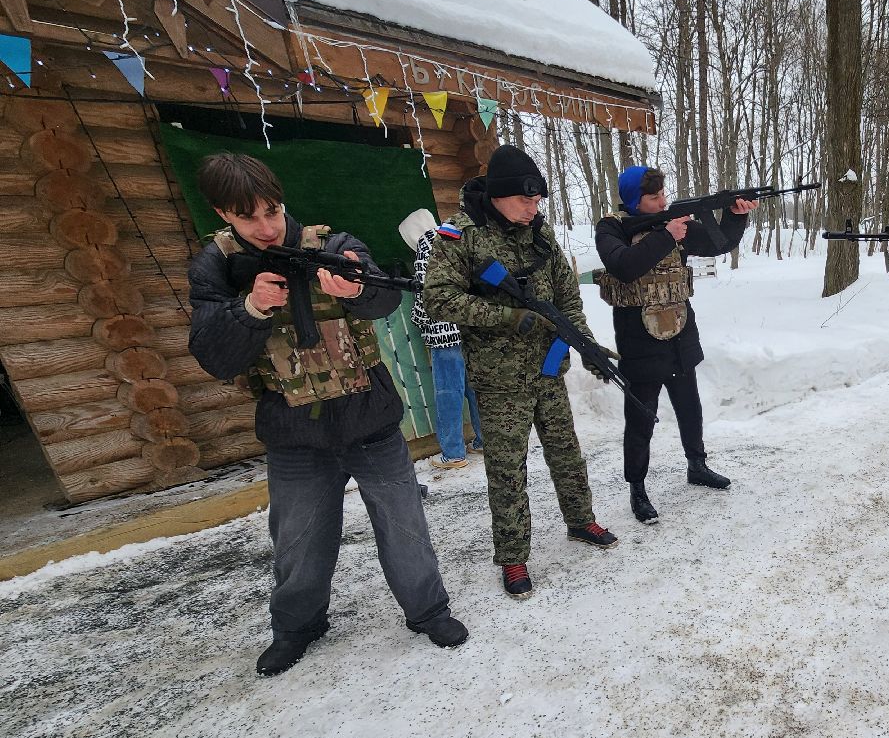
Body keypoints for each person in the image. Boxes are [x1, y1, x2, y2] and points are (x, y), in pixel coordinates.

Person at [186, 153, 468, 676]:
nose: (268, 227)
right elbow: (213, 355)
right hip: (293, 433)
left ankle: (429, 610)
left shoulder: (333, 246)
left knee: (405, 527)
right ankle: (298, 626)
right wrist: (249, 309)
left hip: (370, 420)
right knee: (296, 539)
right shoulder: (215, 267)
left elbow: (383, 297)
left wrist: (359, 287)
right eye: (250, 218)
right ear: (223, 213)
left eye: (273, 210)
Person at [422, 144, 617, 599]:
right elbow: (437, 299)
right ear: (499, 197)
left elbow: (567, 299)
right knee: (508, 471)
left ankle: (580, 520)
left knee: (567, 452)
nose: (533, 209)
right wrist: (507, 318)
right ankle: (513, 558)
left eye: (537, 202)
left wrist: (585, 345)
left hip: (548, 367)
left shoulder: (541, 236)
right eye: (525, 201)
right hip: (499, 379)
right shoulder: (461, 237)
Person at [593, 167, 756, 523]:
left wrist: (733, 215)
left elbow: (719, 243)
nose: (662, 201)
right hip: (639, 340)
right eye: (653, 198)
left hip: (680, 333)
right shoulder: (612, 229)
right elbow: (624, 266)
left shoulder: (673, 223)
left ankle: (697, 465)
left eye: (663, 194)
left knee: (689, 406)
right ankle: (637, 488)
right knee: (641, 419)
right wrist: (667, 235)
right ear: (635, 201)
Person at [407, 217, 484, 469]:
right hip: (469, 326)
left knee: (448, 394)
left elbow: (423, 291)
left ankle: (453, 453)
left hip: (444, 332)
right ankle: (485, 441)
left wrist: (418, 320)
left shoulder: (426, 246)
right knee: (474, 389)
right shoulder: (457, 238)